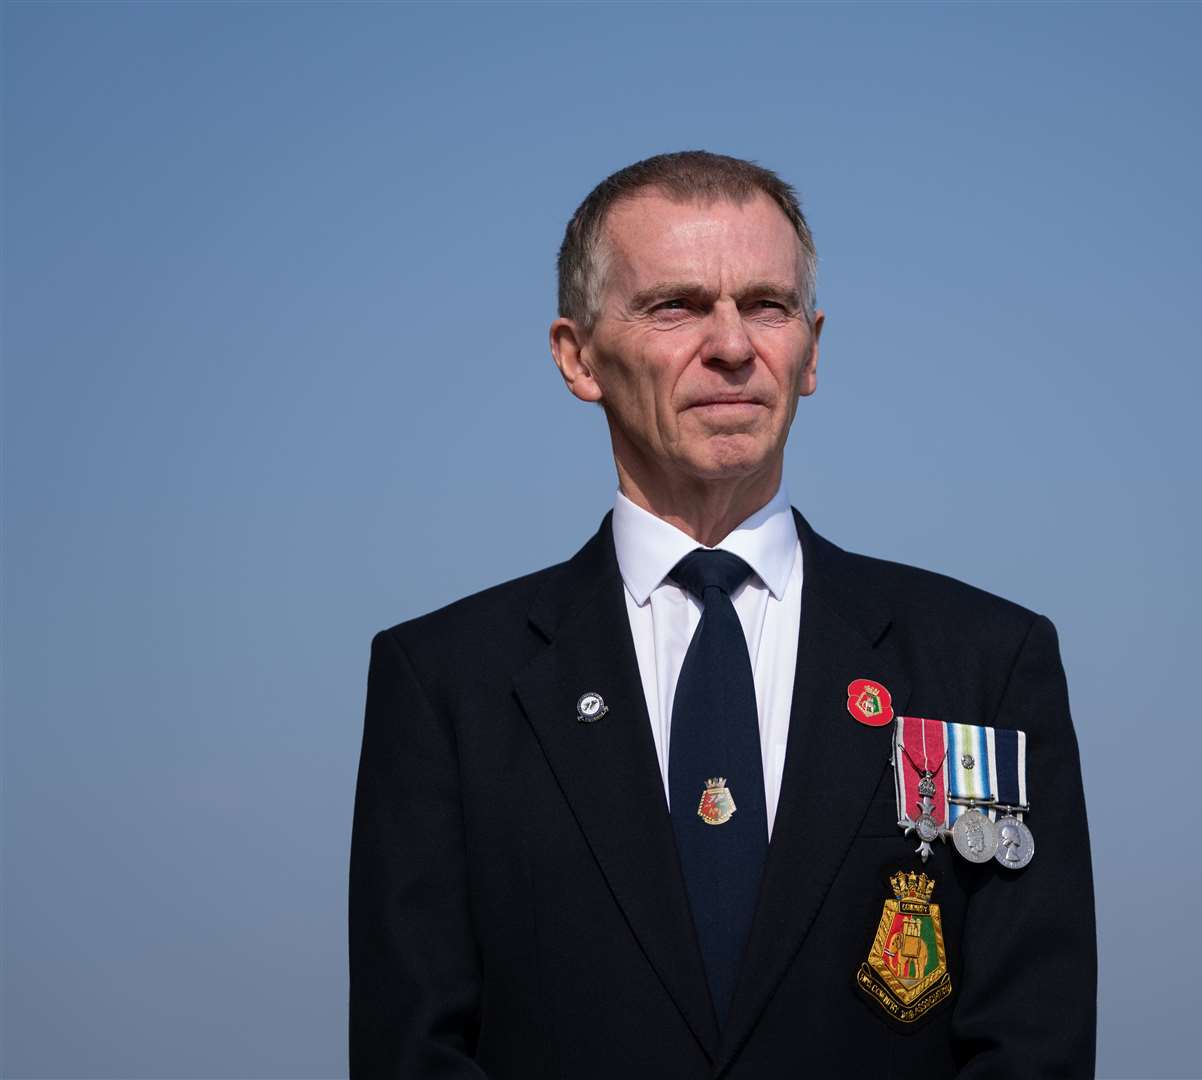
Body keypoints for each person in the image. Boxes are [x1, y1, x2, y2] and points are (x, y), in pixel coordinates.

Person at [349, 150, 1097, 1079]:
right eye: (678, 306)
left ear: (812, 352)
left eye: (768, 306)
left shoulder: (983, 662)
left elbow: (1033, 1044)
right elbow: (412, 1048)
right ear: (577, 357)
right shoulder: (448, 684)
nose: (734, 345)